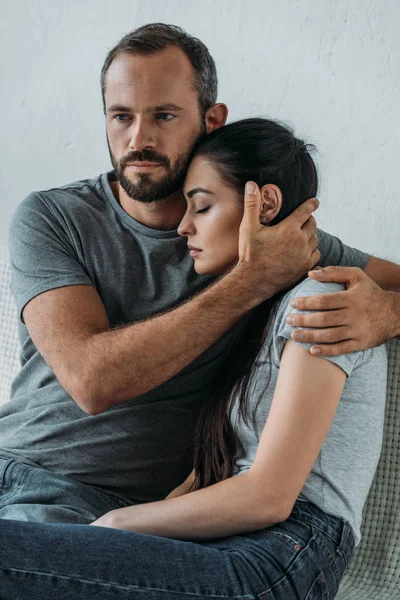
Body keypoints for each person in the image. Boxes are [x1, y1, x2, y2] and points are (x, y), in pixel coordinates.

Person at [0, 23, 399, 524]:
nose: (138, 139)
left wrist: (387, 311)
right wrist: (249, 283)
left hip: (112, 510)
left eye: (163, 115)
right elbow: (92, 380)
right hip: (14, 465)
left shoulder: (268, 239)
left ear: (212, 119)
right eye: (121, 116)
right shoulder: (52, 217)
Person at [0, 118, 387, 600]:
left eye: (201, 207)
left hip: (284, 553)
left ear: (263, 204)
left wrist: (114, 526)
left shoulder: (322, 298)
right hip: (226, 543)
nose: (183, 226)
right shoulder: (253, 316)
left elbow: (268, 497)